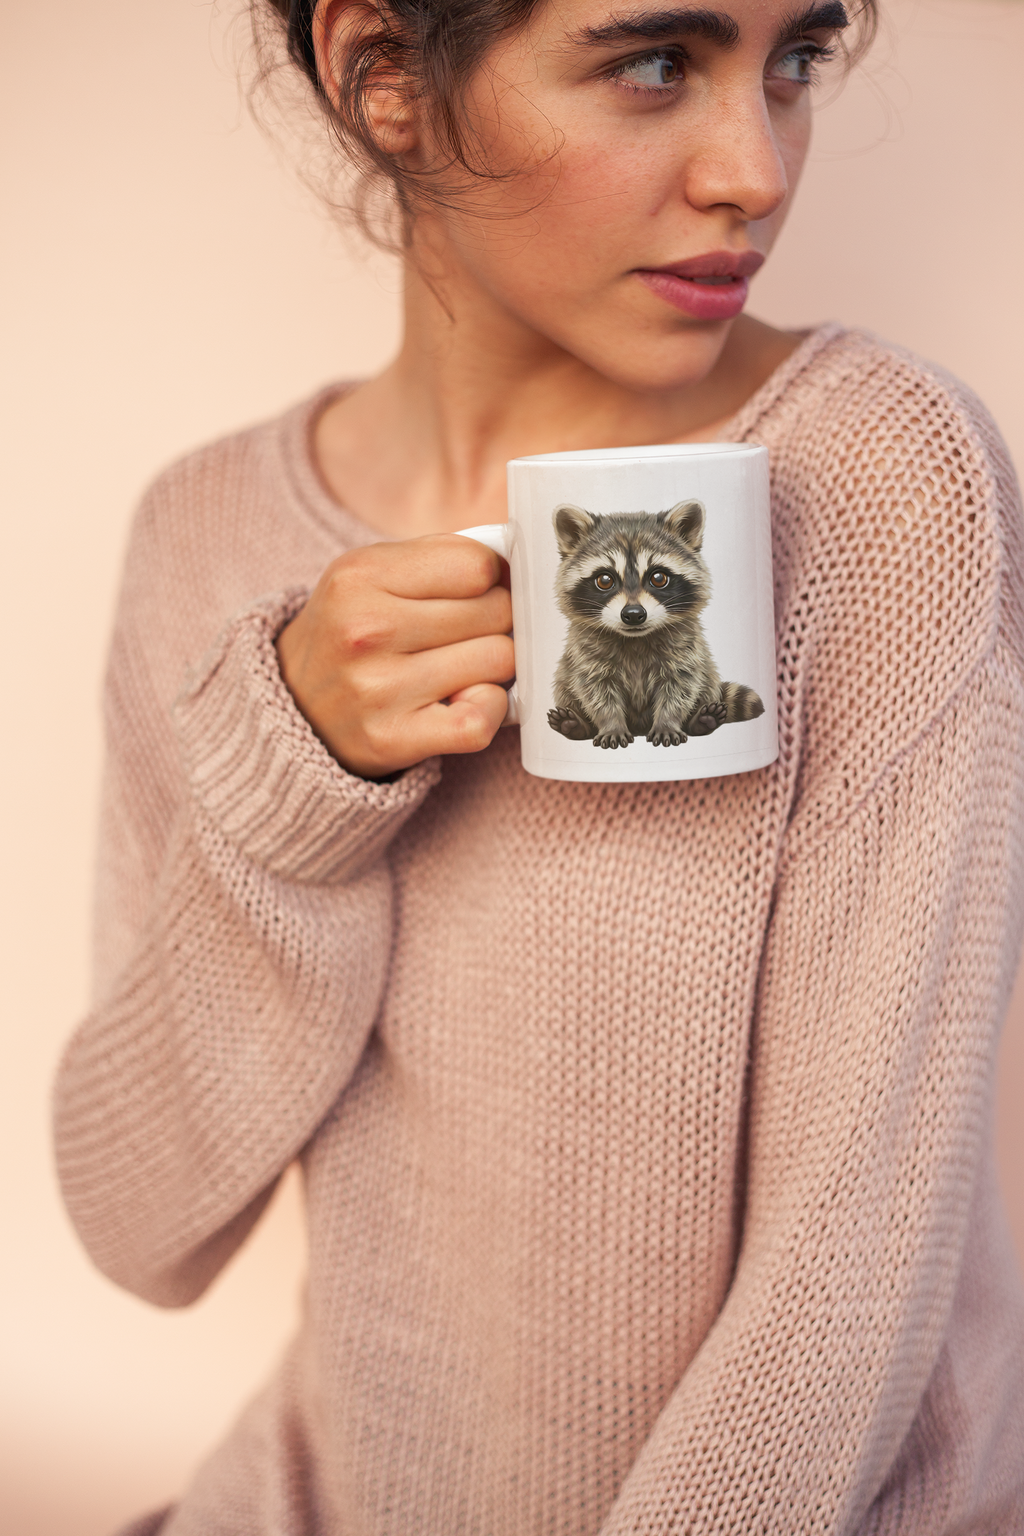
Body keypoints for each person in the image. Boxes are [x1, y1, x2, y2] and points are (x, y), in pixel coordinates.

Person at [54, 0, 1024, 1531]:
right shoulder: (206, 533)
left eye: (798, 60)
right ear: (380, 72)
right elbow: (138, 1225)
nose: (756, 170)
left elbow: (856, 1260)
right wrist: (290, 788)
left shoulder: (882, 479)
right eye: (655, 63)